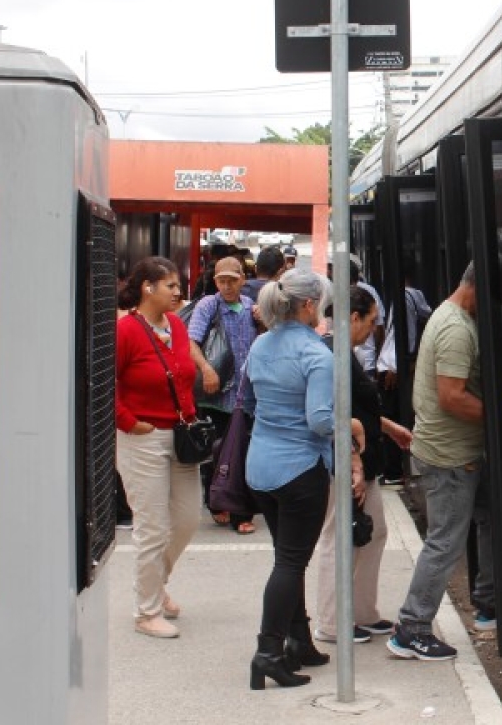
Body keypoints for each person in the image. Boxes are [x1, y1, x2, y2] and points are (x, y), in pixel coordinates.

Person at [387, 258, 502, 661]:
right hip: (450, 457)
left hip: (464, 451)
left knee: (491, 516)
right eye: (498, 297)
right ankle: (411, 629)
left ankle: (488, 603)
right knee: (445, 543)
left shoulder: (451, 315)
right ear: (480, 288)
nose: (499, 306)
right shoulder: (454, 328)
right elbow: (453, 397)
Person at [244, 268, 365, 690]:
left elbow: (250, 401)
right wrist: (351, 425)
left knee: (286, 558)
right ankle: (268, 653)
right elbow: (318, 421)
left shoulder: (260, 345)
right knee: (290, 562)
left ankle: (300, 642)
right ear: (310, 306)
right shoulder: (317, 356)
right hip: (299, 471)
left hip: (260, 467)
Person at [311, 286, 413, 645]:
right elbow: (334, 414)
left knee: (374, 532)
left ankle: (361, 610)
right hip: (346, 463)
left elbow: (357, 407)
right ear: (353, 318)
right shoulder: (332, 355)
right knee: (338, 538)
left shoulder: (344, 353)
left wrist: (387, 426)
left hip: (361, 461)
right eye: (371, 322)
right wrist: (351, 463)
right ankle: (330, 620)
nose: (373, 330)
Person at [114, 257, 201, 639]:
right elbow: (103, 382)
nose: (178, 292)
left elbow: (183, 374)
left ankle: (155, 584)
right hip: (142, 437)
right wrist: (129, 421)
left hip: (180, 434)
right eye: (170, 285)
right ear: (148, 287)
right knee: (153, 527)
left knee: (186, 519)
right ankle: (146, 611)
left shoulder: (177, 326)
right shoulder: (126, 331)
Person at [188, 255, 258, 534]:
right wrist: (206, 370)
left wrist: (263, 321)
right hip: (217, 393)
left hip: (247, 392)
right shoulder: (209, 305)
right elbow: (192, 342)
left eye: (232, 280)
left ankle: (238, 509)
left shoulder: (251, 306)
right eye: (222, 280)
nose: (227, 286)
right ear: (215, 281)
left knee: (241, 450)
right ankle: (221, 503)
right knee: (219, 449)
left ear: (243, 279)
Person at [376, 257, 432, 484]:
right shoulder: (415, 296)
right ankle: (396, 467)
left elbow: (403, 333)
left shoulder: (404, 297)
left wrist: (398, 364)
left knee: (390, 417)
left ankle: (394, 470)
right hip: (396, 363)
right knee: (396, 416)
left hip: (392, 365)